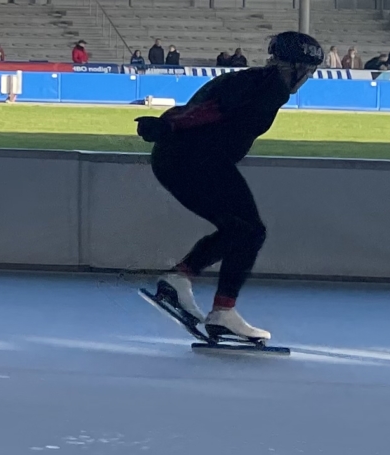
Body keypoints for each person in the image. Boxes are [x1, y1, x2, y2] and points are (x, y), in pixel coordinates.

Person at [138, 30, 323, 346]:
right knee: (249, 231)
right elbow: (213, 110)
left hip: (184, 159)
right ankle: (210, 303)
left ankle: (184, 284)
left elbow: (205, 105)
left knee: (239, 229)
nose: (306, 79)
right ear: (292, 66)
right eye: (306, 71)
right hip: (196, 160)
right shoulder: (270, 87)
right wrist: (169, 125)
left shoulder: (254, 80)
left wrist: (168, 123)